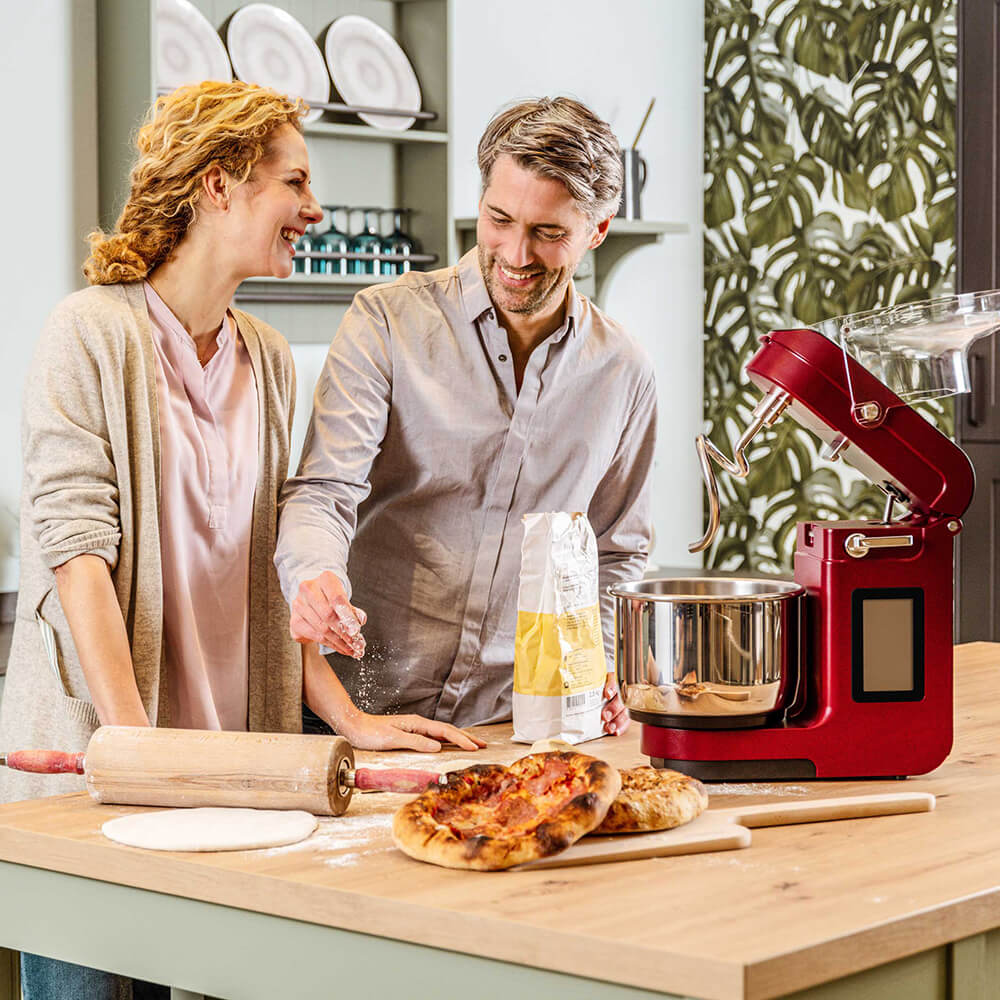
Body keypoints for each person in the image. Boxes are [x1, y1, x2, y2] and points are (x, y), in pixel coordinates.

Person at [0, 79, 481, 1000]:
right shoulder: (89, 332)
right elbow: (76, 553)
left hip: (232, 773)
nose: (315, 208)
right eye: (294, 181)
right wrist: (138, 751)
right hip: (100, 774)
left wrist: (345, 716)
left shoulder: (264, 355)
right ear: (217, 186)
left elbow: (265, 569)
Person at [276, 96, 657, 735]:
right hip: (354, 708)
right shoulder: (387, 321)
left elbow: (616, 549)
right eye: (499, 219)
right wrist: (316, 578)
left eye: (548, 233)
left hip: (513, 721)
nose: (515, 253)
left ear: (597, 230)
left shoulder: (623, 370)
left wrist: (599, 661)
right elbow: (324, 491)